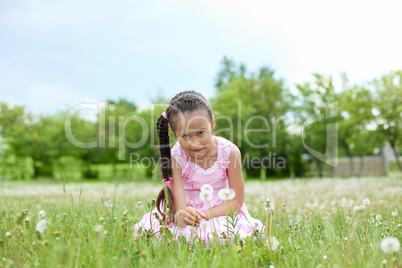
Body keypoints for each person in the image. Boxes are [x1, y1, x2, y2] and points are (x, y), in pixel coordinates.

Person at [133, 90, 264, 243]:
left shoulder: (230, 152)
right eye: (185, 136)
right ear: (175, 134)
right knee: (164, 233)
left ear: (212, 123)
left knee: (229, 236)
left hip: (221, 210)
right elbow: (180, 213)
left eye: (201, 132)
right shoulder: (175, 156)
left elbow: (235, 202)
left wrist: (205, 215)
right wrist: (184, 215)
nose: (194, 143)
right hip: (186, 209)